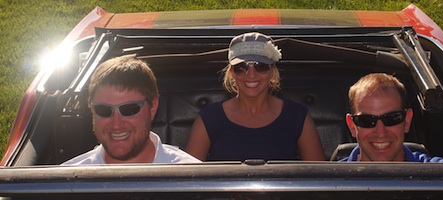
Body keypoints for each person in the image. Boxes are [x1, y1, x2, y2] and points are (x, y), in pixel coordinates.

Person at [185, 32, 326, 161]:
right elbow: (187, 179)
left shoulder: (298, 116)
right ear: (232, 73)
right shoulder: (208, 119)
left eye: (260, 66)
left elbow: (321, 178)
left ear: (272, 71)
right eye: (242, 67)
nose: (251, 74)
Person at [62, 55, 200, 165]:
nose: (116, 124)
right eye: (103, 110)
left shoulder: (194, 181)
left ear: (153, 108)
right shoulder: (64, 184)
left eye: (129, 109)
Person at [340, 73, 443, 162]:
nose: (381, 132)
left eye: (391, 118)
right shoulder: (329, 182)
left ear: (407, 121)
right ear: (352, 126)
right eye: (366, 121)